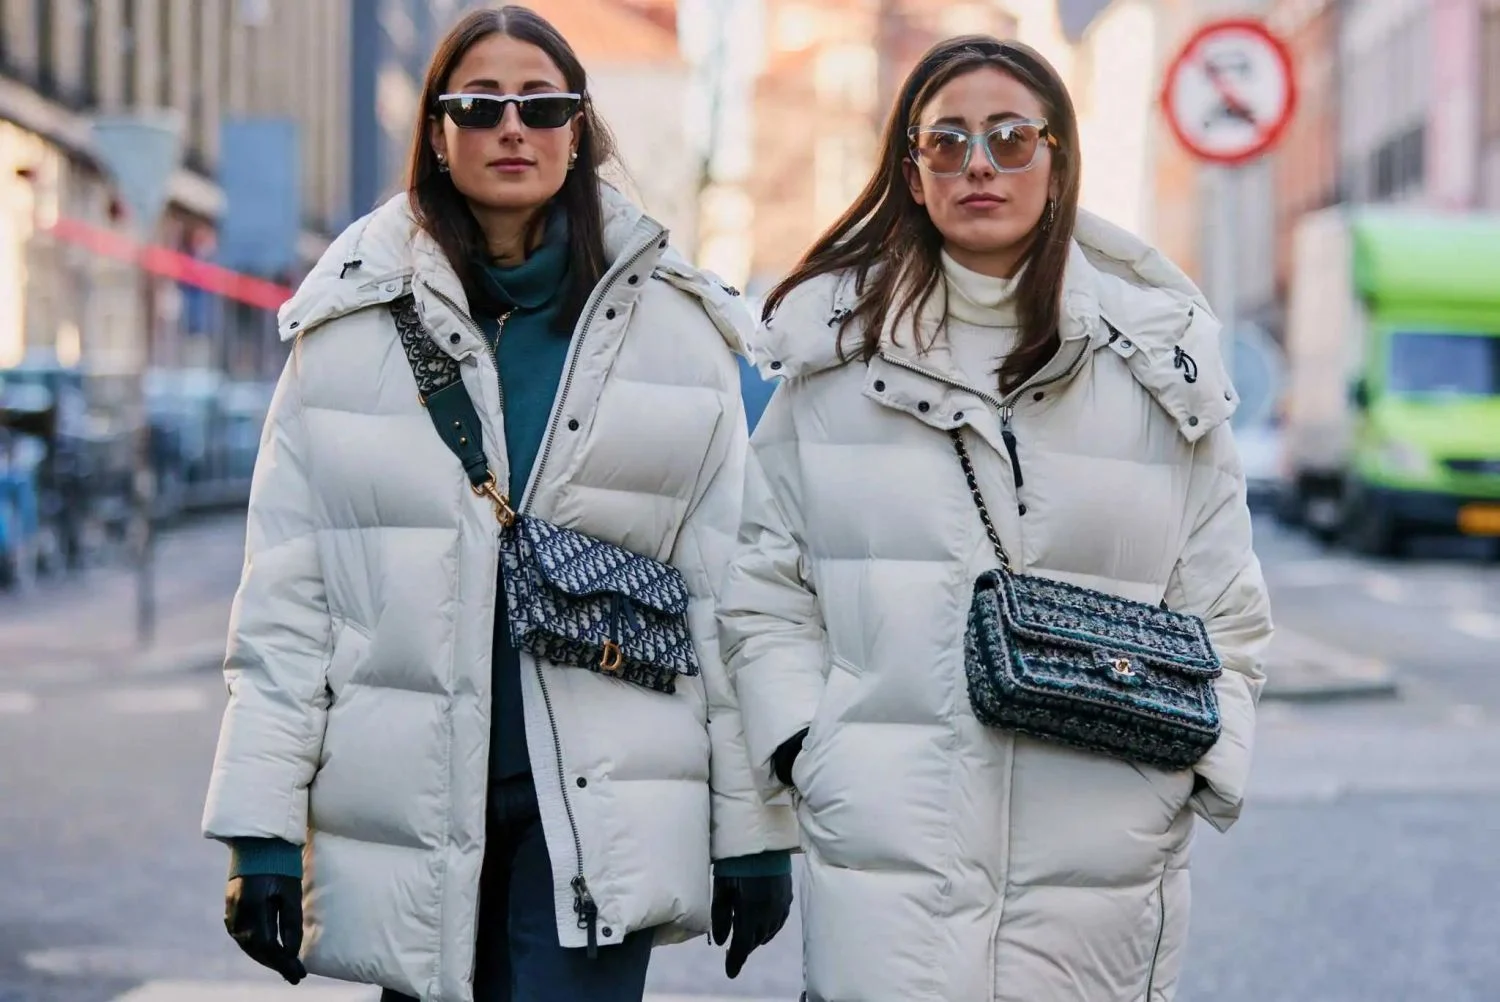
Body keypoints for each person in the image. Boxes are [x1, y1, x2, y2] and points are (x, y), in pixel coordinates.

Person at [201, 7, 797, 1001]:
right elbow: (289, 601)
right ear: (437, 133)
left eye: (542, 104)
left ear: (578, 129)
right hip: (409, 794)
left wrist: (753, 832)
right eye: (478, 107)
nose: (510, 128)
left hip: (601, 803)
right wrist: (260, 831)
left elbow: (724, 602)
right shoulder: (347, 333)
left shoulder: (681, 333)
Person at [718, 36, 1273, 1002]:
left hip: (1103, 859)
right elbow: (764, 592)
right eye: (949, 142)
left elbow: (1227, 611)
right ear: (913, 173)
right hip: (887, 856)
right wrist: (812, 751)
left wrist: (1176, 780)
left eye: (1013, 139)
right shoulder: (833, 370)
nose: (980, 164)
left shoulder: (1158, 373)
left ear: (1058, 166)